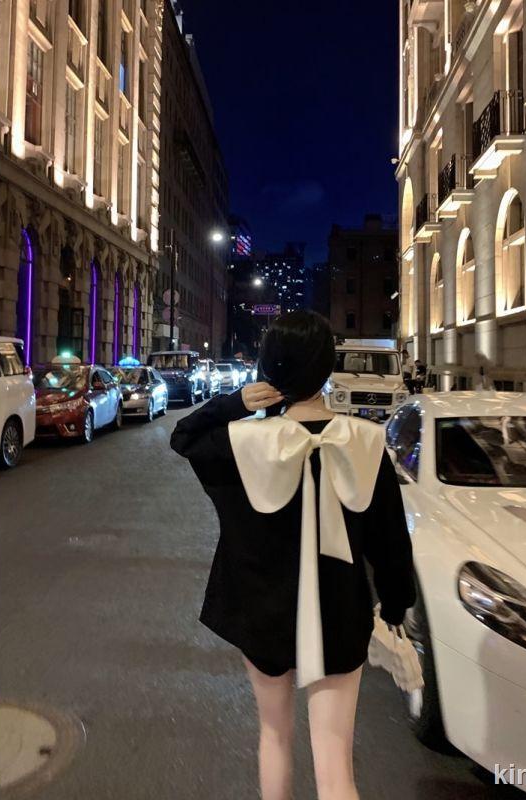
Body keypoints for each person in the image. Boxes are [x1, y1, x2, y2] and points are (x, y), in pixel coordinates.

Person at [171, 311, 416, 800]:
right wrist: (393, 607)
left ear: (269, 370)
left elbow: (183, 437)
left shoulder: (244, 443)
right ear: (327, 368)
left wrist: (235, 402)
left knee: (274, 735)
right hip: (339, 611)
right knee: (336, 764)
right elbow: (391, 542)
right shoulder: (365, 442)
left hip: (261, 611)